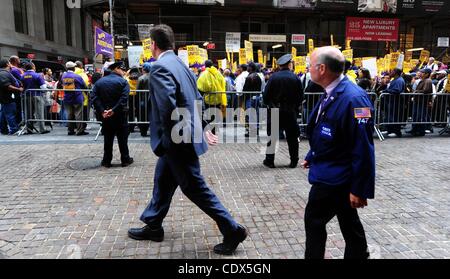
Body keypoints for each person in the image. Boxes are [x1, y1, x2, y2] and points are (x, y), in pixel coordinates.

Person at [127, 24, 247, 255]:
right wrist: (201, 127)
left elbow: (168, 109)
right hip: (183, 136)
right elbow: (196, 100)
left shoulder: (161, 67)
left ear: (153, 45)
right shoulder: (181, 65)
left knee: (194, 187)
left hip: (177, 140)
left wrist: (172, 141)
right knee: (163, 179)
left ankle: (232, 229)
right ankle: (153, 224)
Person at [301, 46, 375, 259]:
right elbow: (327, 130)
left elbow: (363, 147)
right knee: (348, 220)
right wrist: (312, 156)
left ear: (322, 68)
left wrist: (359, 188)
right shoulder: (332, 91)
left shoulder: (355, 99)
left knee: (314, 219)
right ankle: (359, 254)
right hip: (331, 170)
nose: (308, 69)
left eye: (310, 65)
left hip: (336, 178)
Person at [263, 53, 303, 168]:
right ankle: (294, 161)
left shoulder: (273, 77)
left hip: (275, 110)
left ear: (280, 65)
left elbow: (266, 97)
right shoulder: (295, 77)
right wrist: (295, 107)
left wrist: (271, 105)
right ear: (289, 64)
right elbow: (300, 97)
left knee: (273, 137)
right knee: (292, 137)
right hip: (290, 111)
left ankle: (269, 161)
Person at [91, 61, 134, 168]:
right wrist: (113, 110)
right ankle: (125, 159)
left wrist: (102, 111)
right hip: (119, 114)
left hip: (106, 115)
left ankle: (107, 160)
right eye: (123, 70)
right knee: (122, 138)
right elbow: (124, 98)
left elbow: (94, 97)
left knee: (108, 138)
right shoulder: (123, 82)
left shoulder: (99, 82)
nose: (124, 72)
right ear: (116, 69)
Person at [20, 62, 50, 134]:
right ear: (33, 67)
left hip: (26, 95)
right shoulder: (37, 75)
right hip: (37, 95)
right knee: (39, 112)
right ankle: (42, 129)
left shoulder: (22, 76)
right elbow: (43, 87)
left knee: (28, 113)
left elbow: (21, 86)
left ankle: (29, 129)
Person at [61, 62, 88, 136]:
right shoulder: (77, 76)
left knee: (70, 114)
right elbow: (84, 86)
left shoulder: (63, 76)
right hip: (77, 98)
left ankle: (70, 130)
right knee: (78, 114)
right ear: (73, 68)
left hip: (67, 98)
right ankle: (79, 131)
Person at [0, 59, 23, 135]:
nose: (10, 65)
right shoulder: (3, 73)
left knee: (4, 114)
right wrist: (19, 89)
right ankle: (14, 130)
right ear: (7, 64)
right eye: (9, 63)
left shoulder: (4, 72)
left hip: (5, 97)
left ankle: (3, 129)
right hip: (7, 97)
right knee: (10, 114)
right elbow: (7, 86)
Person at [382, 68, 405, 138]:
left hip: (396, 102)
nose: (390, 73)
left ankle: (396, 132)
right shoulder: (395, 80)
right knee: (390, 116)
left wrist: (386, 91)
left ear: (395, 72)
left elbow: (397, 90)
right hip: (392, 102)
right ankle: (390, 130)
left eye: (391, 72)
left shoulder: (399, 80)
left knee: (395, 117)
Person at [136, 62, 151, 137]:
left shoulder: (141, 78)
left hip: (143, 100)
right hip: (152, 100)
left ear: (144, 69)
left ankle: (143, 132)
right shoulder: (154, 77)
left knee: (142, 116)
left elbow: (137, 90)